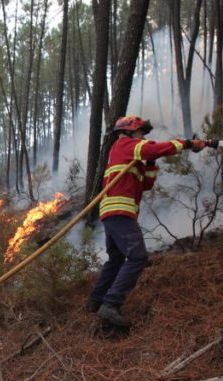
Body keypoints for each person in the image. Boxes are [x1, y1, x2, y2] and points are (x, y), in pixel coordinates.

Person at [87, 116, 208, 328]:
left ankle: (95, 301)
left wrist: (151, 162)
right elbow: (154, 148)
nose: (143, 136)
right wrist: (188, 144)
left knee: (115, 259)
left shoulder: (129, 155)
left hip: (113, 212)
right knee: (137, 257)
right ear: (131, 130)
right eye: (142, 132)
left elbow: (146, 185)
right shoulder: (125, 144)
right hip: (119, 211)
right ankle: (110, 305)